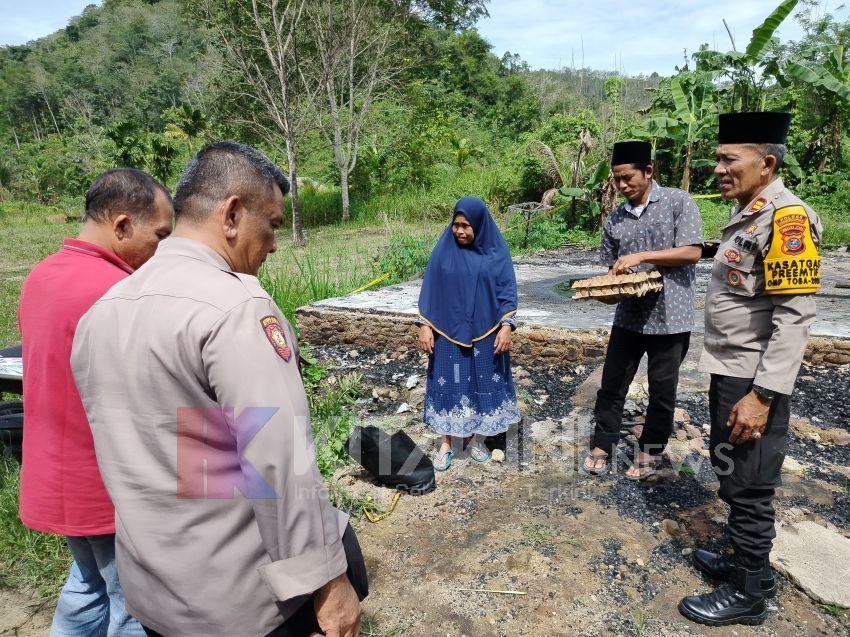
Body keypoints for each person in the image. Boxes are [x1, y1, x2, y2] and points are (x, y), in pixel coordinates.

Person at [70, 142, 366, 637]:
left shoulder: (104, 311)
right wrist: (329, 584)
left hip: (154, 595)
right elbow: (277, 457)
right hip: (241, 605)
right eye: (270, 223)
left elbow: (166, 448)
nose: (274, 242)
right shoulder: (235, 307)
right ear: (232, 214)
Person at [678, 112, 822, 627]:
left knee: (751, 483)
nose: (718, 168)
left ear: (766, 162)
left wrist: (762, 396)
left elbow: (794, 316)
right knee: (734, 474)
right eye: (717, 158)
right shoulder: (749, 214)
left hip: (755, 378)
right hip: (732, 370)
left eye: (727, 159)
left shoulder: (786, 219)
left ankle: (750, 592)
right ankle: (740, 559)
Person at [18, 168, 174, 636]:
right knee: (133, 602)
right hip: (105, 481)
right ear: (123, 225)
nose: (161, 249)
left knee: (87, 582)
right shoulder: (115, 292)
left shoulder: (43, 275)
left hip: (55, 471)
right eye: (160, 235)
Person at [582, 140, 703, 479]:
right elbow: (611, 269)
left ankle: (650, 451)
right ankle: (602, 444)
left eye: (628, 178)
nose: (622, 186)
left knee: (662, 390)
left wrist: (641, 256)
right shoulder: (615, 218)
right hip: (630, 318)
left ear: (648, 172)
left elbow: (692, 252)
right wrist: (603, 292)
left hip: (671, 316)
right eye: (617, 179)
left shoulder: (679, 202)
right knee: (612, 384)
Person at [417, 197, 520, 471]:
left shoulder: (496, 252)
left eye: (466, 226)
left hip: (486, 332)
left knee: (479, 385)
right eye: (456, 225)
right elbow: (430, 289)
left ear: (479, 225)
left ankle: (474, 440)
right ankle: (447, 443)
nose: (460, 231)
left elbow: (507, 291)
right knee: (449, 385)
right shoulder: (443, 252)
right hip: (447, 332)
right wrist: (425, 325)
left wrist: (507, 325)